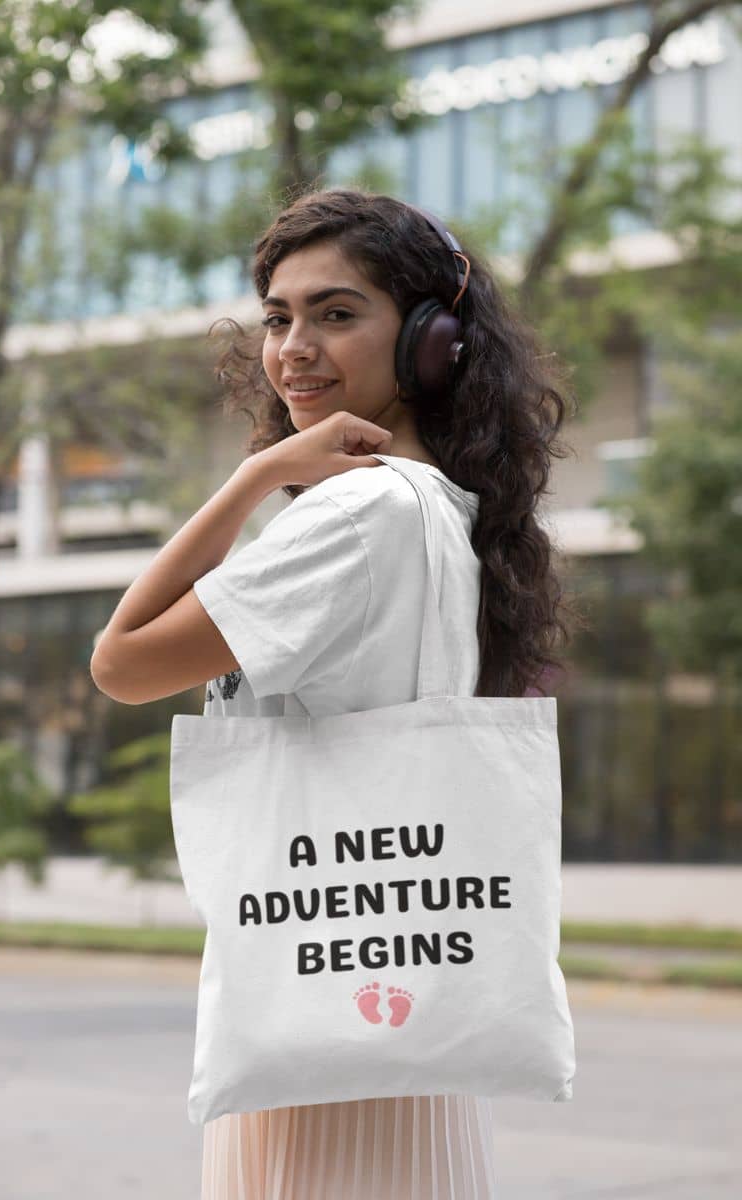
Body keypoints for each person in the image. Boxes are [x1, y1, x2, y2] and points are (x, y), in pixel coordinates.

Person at [91, 187, 579, 1197]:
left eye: (337, 312)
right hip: (387, 1005)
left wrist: (253, 477)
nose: (293, 348)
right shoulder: (436, 504)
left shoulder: (358, 513)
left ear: (430, 341)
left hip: (321, 1019)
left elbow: (123, 658)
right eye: (278, 317)